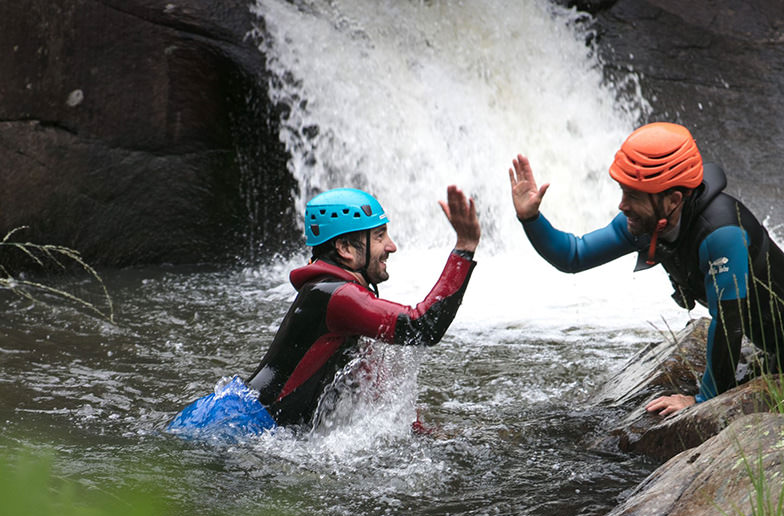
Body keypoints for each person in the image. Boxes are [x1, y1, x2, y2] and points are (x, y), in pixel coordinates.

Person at [509, 122, 784, 418]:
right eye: (623, 191)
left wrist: (703, 399)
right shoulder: (647, 221)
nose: (622, 205)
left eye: (634, 195)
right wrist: (531, 218)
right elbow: (574, 255)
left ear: (673, 200)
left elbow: (730, 321)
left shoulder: (722, 233)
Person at [167, 184, 480, 437]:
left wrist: (423, 434)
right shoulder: (335, 296)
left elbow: (372, 387)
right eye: (379, 236)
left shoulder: (335, 295)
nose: (391, 246)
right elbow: (420, 326)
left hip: (235, 422)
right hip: (229, 427)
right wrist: (464, 248)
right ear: (344, 248)